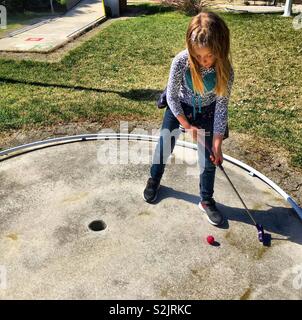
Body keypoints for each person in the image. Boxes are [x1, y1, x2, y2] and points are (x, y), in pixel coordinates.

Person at [143, 11, 235, 226]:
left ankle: (206, 200)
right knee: (164, 145)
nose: (203, 61)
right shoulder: (182, 61)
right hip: (179, 109)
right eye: (198, 55)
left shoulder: (226, 70)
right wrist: (186, 124)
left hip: (208, 112)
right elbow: (172, 97)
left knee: (209, 159)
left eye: (209, 55)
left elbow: (222, 107)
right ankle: (154, 179)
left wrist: (218, 143)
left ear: (220, 48)